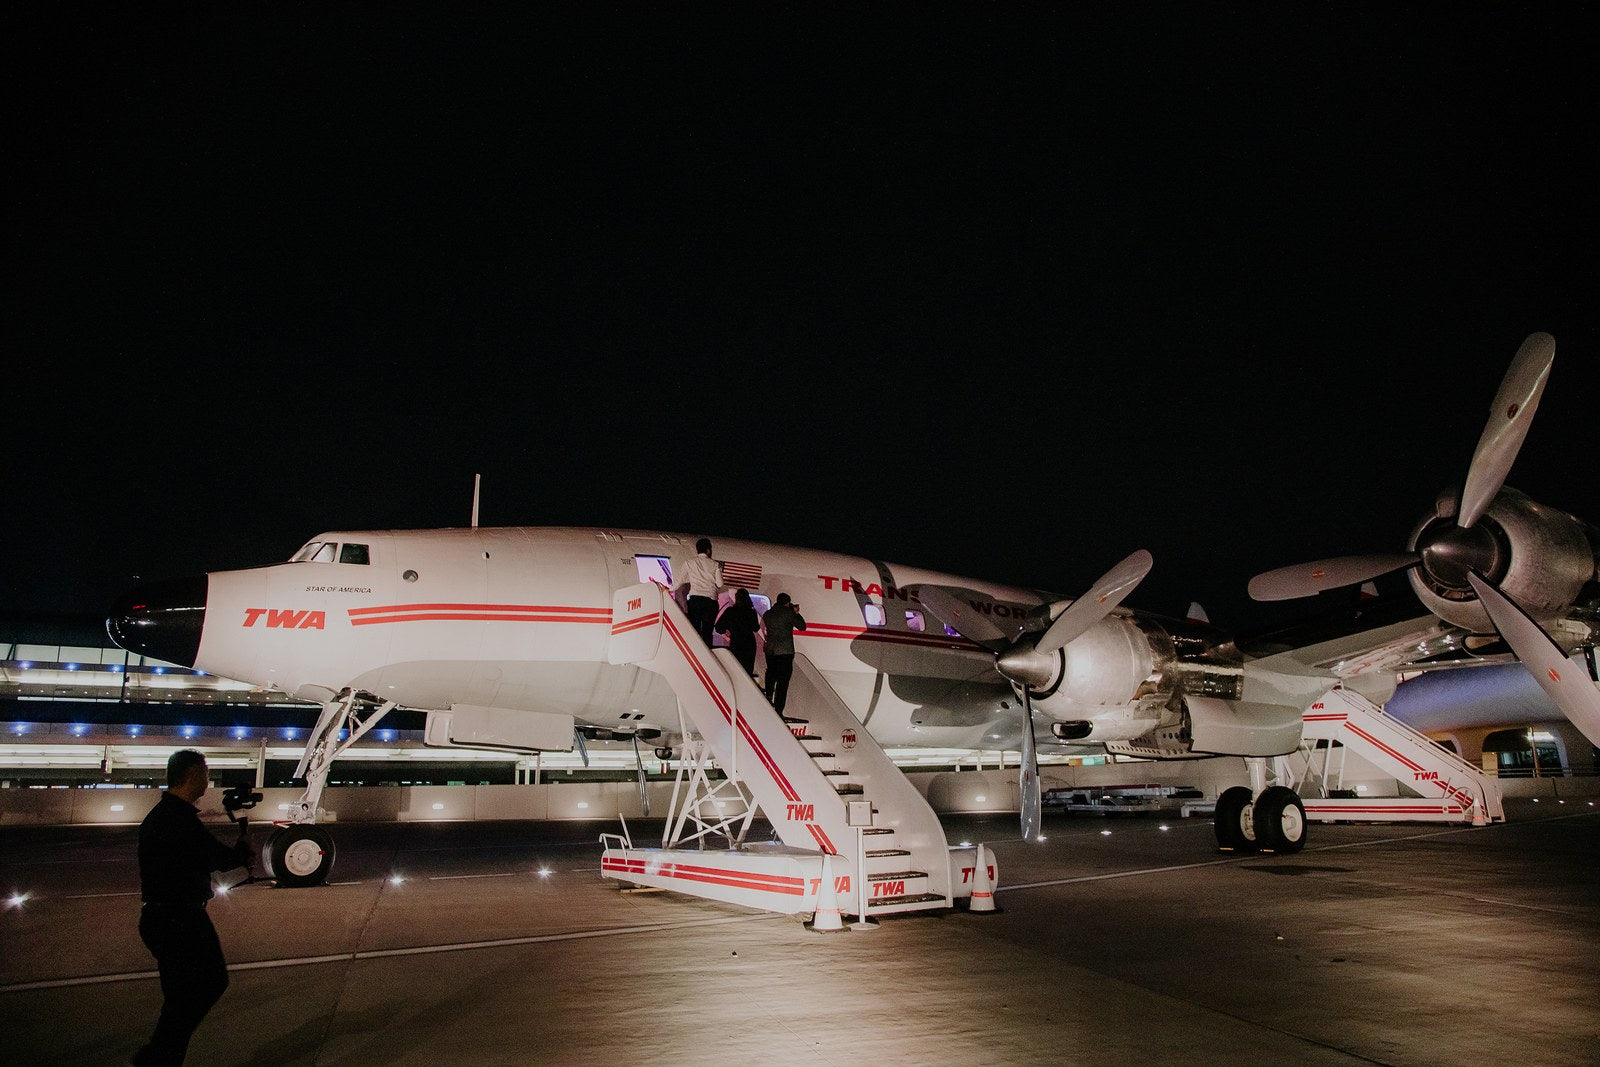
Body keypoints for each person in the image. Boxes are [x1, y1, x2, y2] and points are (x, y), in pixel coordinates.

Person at [133, 749, 252, 1067]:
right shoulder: (178, 819)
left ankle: (159, 1057)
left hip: (160, 918)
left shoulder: (162, 815)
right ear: (192, 775)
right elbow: (217, 858)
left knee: (177, 1000)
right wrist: (242, 850)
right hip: (180, 920)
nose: (208, 777)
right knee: (210, 982)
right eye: (205, 770)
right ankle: (158, 1057)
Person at [760, 593, 807, 713]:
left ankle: (768, 695)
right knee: (783, 681)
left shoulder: (768, 613)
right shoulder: (789, 613)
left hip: (770, 650)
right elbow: (802, 626)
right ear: (787, 602)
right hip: (785, 652)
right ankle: (779, 709)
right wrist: (795, 612)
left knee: (771, 673)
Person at [674, 537, 724, 647]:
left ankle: (695, 650)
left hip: (695, 601)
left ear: (697, 550)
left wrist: (668, 589)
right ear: (708, 550)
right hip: (710, 601)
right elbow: (720, 584)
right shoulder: (715, 564)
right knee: (707, 631)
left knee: (695, 631)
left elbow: (679, 581)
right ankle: (707, 653)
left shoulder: (689, 563)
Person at [715, 587, 761, 678]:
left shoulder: (730, 611)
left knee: (736, 670)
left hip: (736, 642)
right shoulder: (751, 612)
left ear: (736, 598)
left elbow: (718, 627)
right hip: (749, 643)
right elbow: (755, 628)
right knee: (747, 671)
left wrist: (727, 633)